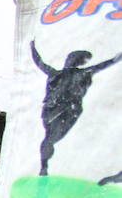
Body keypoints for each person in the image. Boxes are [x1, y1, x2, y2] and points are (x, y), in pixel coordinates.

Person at [29, 42, 122, 176]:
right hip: (59, 110)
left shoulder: (64, 73)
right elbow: (39, 62)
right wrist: (32, 47)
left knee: (51, 137)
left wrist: (32, 47)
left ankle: (44, 166)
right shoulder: (61, 73)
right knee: (51, 137)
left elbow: (39, 62)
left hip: (63, 110)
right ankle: (44, 166)